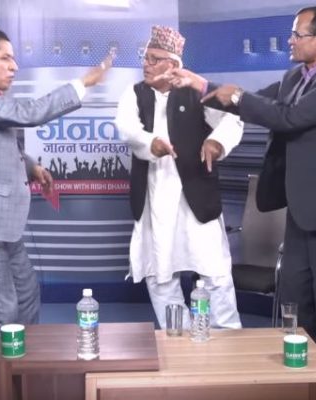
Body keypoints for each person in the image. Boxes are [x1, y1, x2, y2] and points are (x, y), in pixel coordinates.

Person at [166, 6, 316, 399]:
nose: (290, 41)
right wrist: (200, 84)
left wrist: (239, 96)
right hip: (302, 212)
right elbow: (255, 102)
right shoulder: (295, 76)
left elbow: (289, 118)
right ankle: (304, 385)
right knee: (295, 306)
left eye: (297, 34)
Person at [0, 26, 111, 397]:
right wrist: (83, 83)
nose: (14, 66)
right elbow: (27, 114)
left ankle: (20, 372)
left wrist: (31, 167)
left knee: (28, 295)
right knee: (3, 310)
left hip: (2, 221)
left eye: (14, 59)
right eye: (6, 58)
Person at [114, 25, 244, 331]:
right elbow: (126, 128)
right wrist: (151, 143)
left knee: (214, 271)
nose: (146, 64)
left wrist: (217, 142)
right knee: (160, 274)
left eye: (154, 59)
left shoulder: (196, 89)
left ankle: (227, 337)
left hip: (196, 196)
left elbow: (232, 120)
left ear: (173, 64)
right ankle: (179, 339)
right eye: (145, 57)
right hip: (155, 198)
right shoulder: (134, 93)